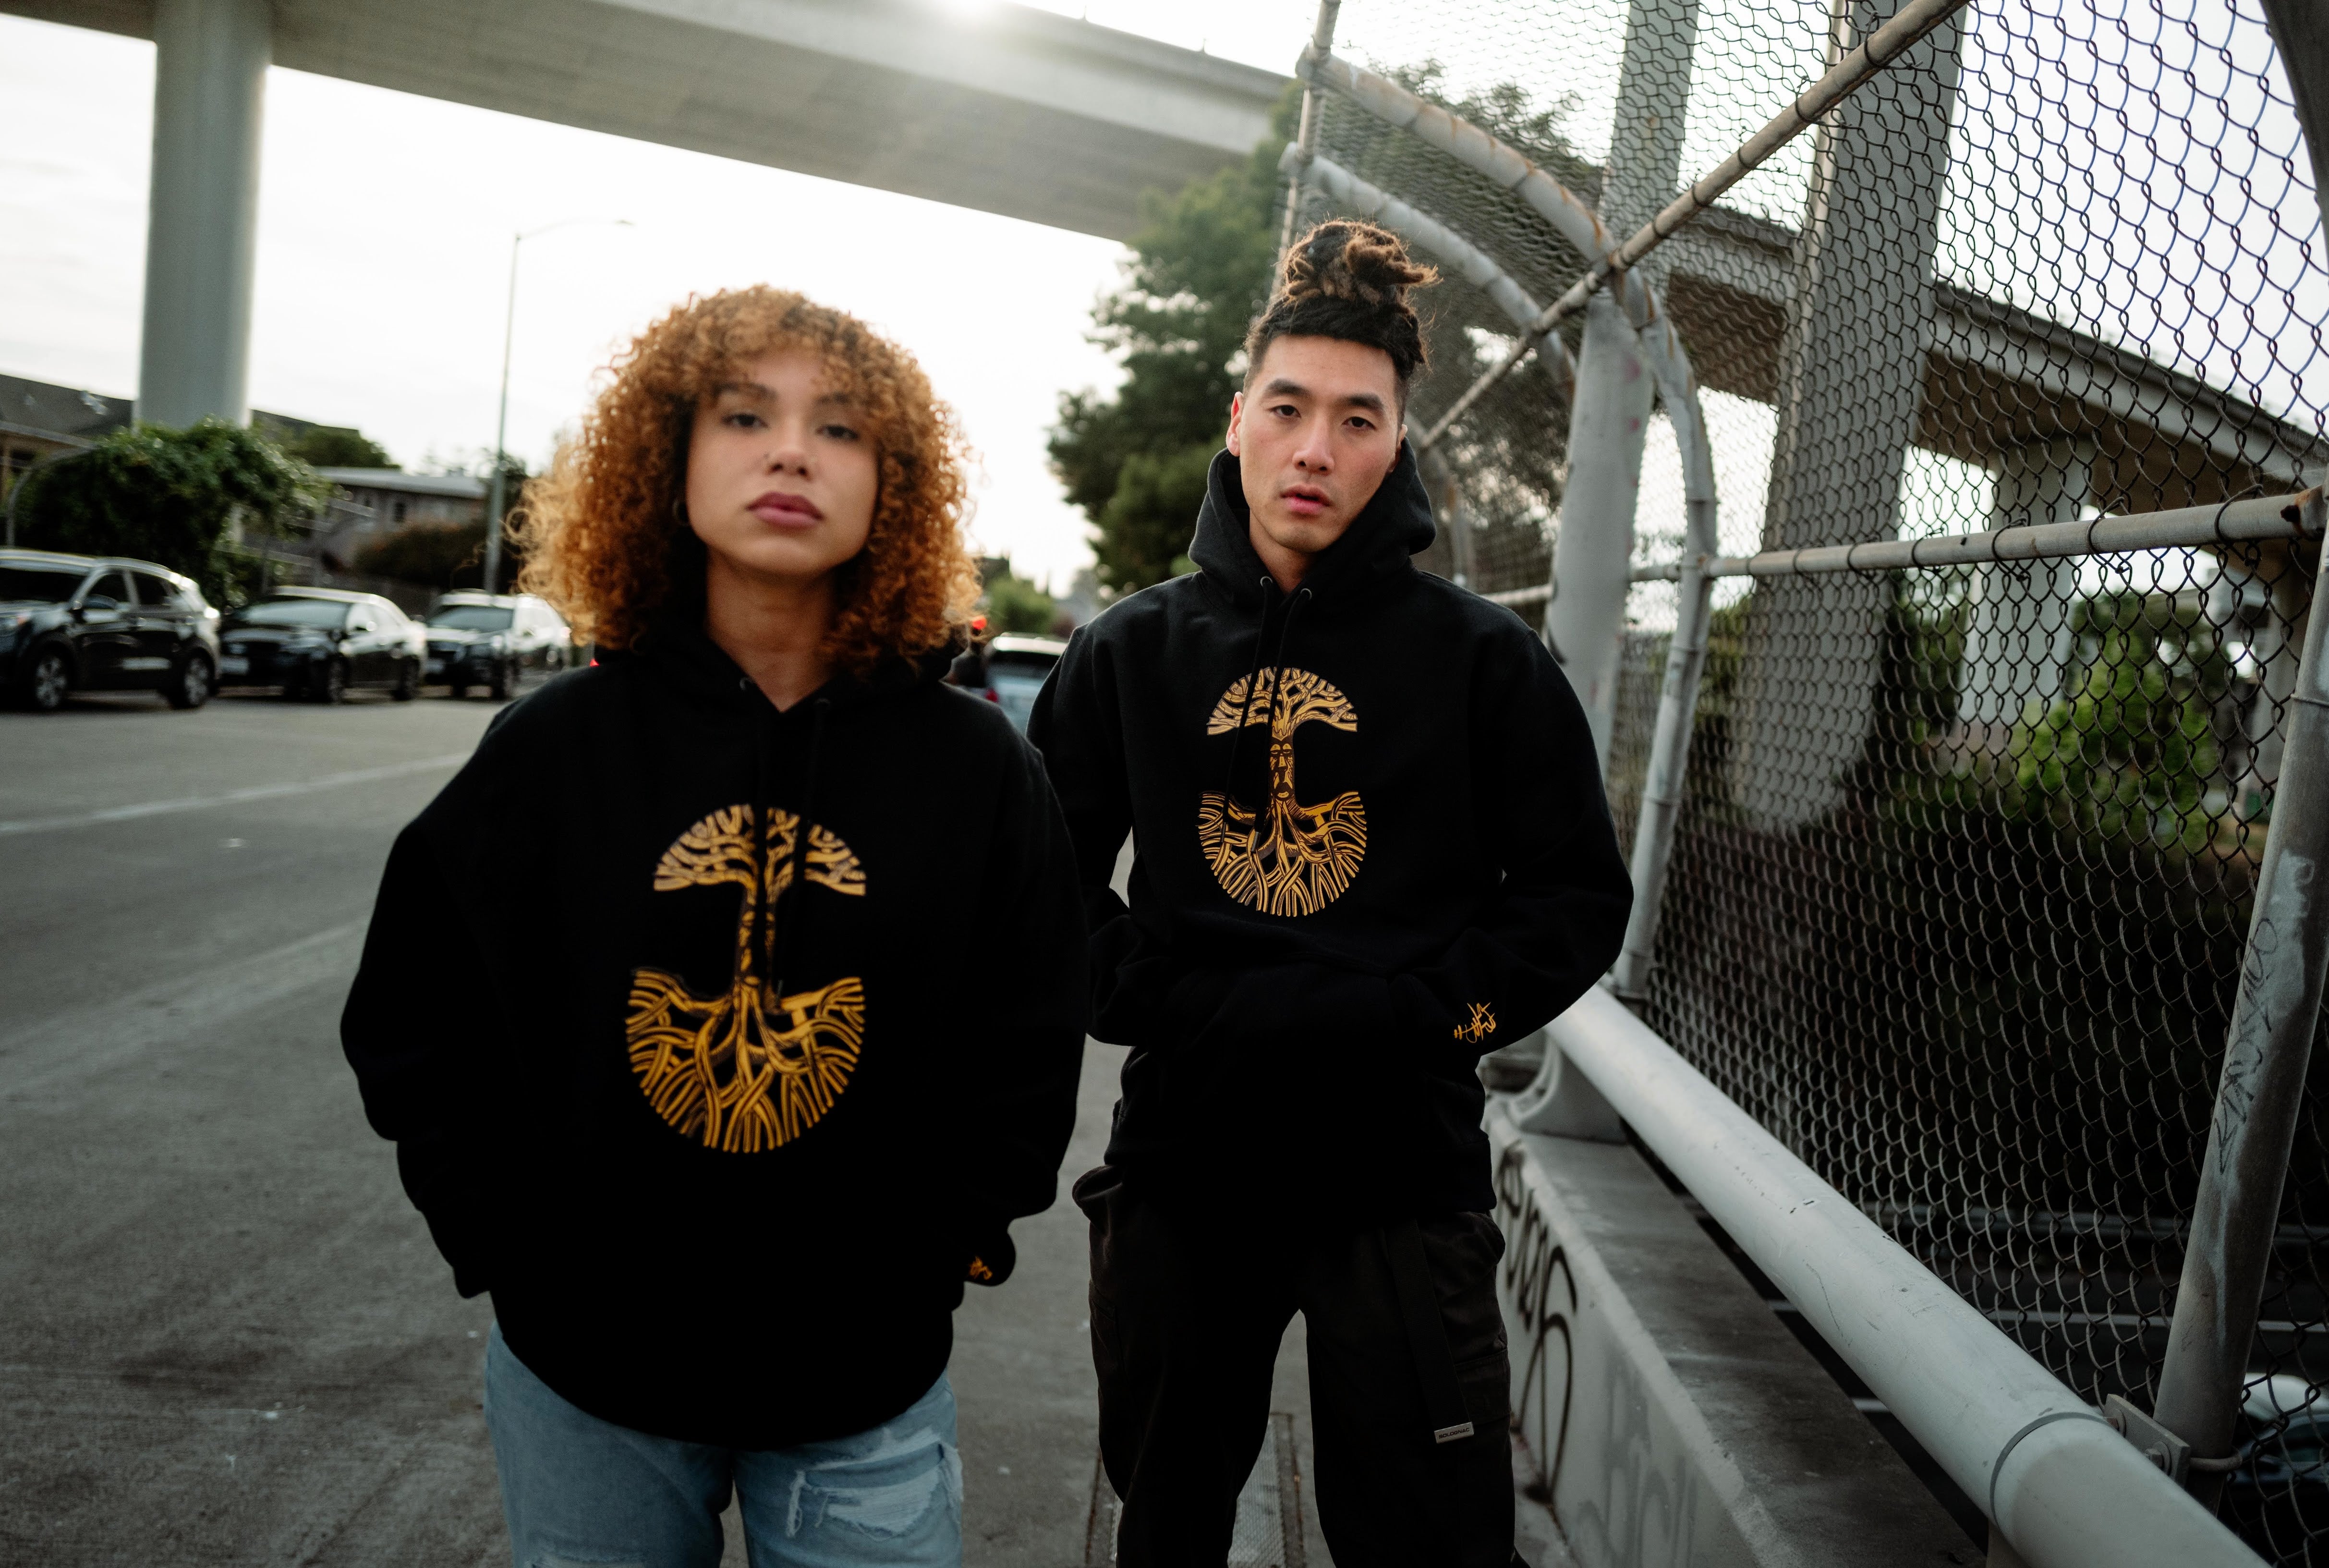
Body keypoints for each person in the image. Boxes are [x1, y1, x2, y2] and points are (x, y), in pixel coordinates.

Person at [342, 286, 1087, 1568]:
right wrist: (503, 1242)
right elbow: (417, 1017)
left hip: (864, 1387)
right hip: (586, 1381)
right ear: (668, 459)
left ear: (890, 485)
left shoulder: (974, 771)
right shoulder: (554, 754)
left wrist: (947, 1239)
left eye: (841, 429)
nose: (791, 450)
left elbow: (1030, 1032)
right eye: (745, 415)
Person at [1028, 220, 1632, 1566]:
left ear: (1396, 443)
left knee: (1428, 1540)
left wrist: (1416, 1013)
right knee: (1167, 1513)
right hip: (1187, 1157)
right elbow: (1036, 885)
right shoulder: (1128, 652)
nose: (1316, 449)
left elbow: (1574, 896)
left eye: (1357, 420)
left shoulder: (1485, 665)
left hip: (1400, 1174)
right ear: (1238, 421)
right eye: (1289, 409)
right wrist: (1171, 1003)